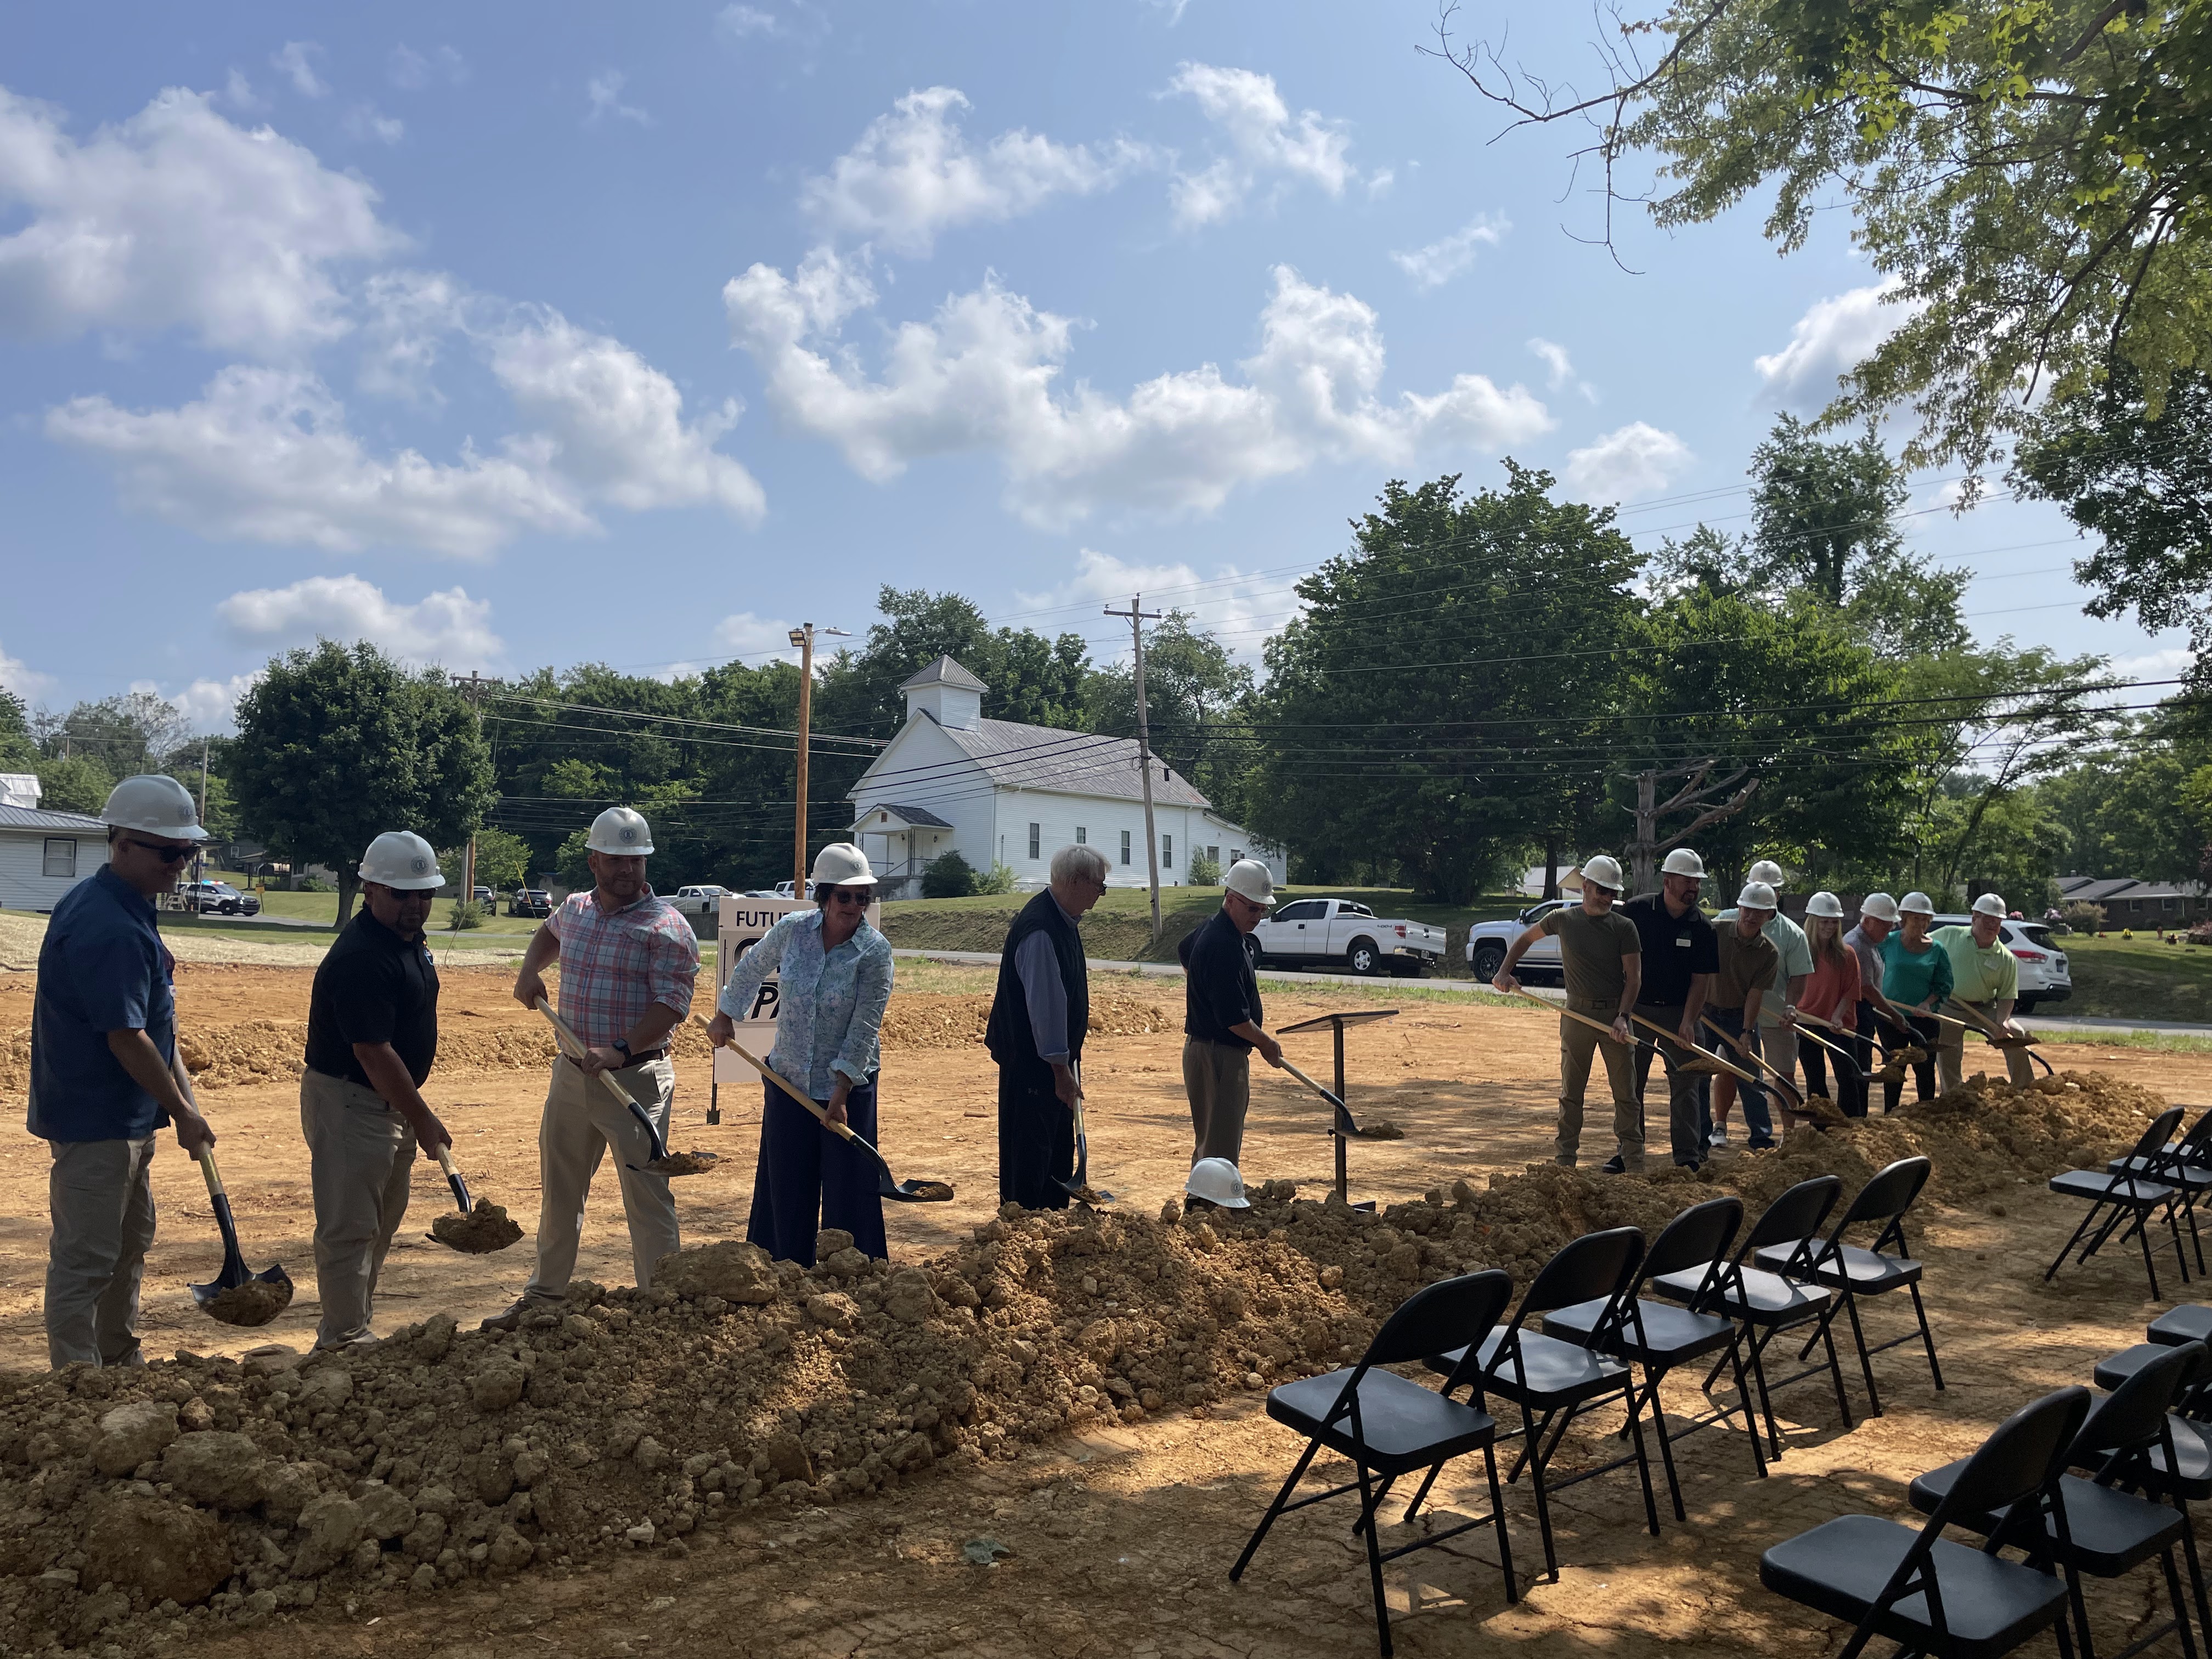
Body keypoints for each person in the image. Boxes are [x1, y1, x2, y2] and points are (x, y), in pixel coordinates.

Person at [29, 775, 217, 1369]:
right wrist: (184, 1113)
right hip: (96, 1120)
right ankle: (78, 1385)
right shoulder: (106, 924)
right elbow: (126, 1038)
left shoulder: (128, 908)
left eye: (188, 852)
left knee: (129, 1244)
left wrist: (183, 1103)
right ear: (122, 844)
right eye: (169, 852)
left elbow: (158, 1023)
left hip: (130, 1118)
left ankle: (118, 1361)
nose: (181, 864)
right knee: (86, 1259)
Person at [489, 806, 698, 1329]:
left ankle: (662, 1303)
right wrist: (529, 970)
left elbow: (673, 1004)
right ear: (594, 862)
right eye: (616, 860)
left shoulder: (667, 927)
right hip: (571, 1075)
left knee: (647, 1195)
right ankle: (545, 1294)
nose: (627, 870)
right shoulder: (576, 909)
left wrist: (621, 1049)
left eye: (637, 860)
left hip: (635, 1081)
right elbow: (549, 932)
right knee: (560, 1190)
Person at [300, 831, 452, 1350]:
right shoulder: (363, 956)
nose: (416, 906)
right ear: (369, 887)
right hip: (352, 1101)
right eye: (402, 894)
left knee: (381, 1223)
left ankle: (355, 1325)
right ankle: (342, 1338)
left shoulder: (408, 942)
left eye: (425, 894)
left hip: (392, 1102)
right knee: (350, 1227)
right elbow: (372, 1051)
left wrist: (413, 1112)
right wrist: (423, 1117)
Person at [711, 843, 895, 1266]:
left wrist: (842, 1091)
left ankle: (854, 1275)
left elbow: (865, 1025)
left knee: (850, 1190)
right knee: (786, 1186)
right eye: (845, 896)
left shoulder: (875, 952)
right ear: (824, 895)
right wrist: (726, 1016)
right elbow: (752, 967)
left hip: (847, 1088)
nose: (854, 905)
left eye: (862, 897)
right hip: (788, 1080)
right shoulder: (793, 930)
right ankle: (780, 1271)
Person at [1493, 854, 1645, 1173]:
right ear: (1585, 886)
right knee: (1571, 1093)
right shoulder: (1563, 919)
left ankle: (1634, 1164)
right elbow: (1524, 939)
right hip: (1575, 1016)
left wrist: (1623, 1016)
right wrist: (1504, 971)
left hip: (1614, 1018)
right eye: (1601, 890)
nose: (1607, 898)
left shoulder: (1624, 927)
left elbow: (1634, 979)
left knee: (1626, 1095)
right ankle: (1565, 1164)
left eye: (1612, 892)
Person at [985, 844, 1108, 1210]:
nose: (1101, 894)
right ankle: (1022, 1234)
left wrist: (1067, 1067)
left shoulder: (1063, 921)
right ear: (1075, 881)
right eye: (1099, 886)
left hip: (1053, 1066)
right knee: (1030, 1159)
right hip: (1033, 1068)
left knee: (1054, 1152)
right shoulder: (1041, 929)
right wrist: (1061, 1070)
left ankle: (1051, 1224)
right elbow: (1046, 1010)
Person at [1181, 859, 1285, 1169]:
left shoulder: (1218, 931)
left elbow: (1185, 951)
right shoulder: (1222, 943)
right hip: (1217, 1055)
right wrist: (1266, 1043)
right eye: (1253, 908)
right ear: (1230, 899)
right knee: (1219, 1150)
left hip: (1215, 1052)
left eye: (1262, 910)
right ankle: (1207, 1210)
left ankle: (1205, 1205)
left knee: (1215, 1141)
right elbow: (1234, 1018)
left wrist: (1202, 986)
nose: (1258, 916)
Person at [1624, 848, 1720, 1169]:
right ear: (1667, 881)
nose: (1694, 887)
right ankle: (1630, 1154)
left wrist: (1689, 1022)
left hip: (1680, 1014)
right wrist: (1621, 1011)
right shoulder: (1637, 911)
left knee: (1686, 1086)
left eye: (1697, 881)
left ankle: (1687, 1157)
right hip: (1637, 1011)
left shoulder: (1703, 928)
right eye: (1687, 880)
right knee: (1631, 1085)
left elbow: (1701, 981)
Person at [1711, 859, 1812, 1146]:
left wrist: (1791, 1006)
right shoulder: (1724, 921)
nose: (1754, 911)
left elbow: (1799, 977)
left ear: (1777, 897)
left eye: (1771, 890)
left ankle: (1788, 1134)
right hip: (1731, 1012)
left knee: (1783, 1072)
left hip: (1775, 1014)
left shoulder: (1792, 934)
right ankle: (1720, 1125)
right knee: (1731, 1067)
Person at [1706, 882, 1782, 1149]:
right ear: (1739, 907)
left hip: (1739, 1016)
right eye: (1748, 909)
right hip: (1704, 1013)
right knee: (1697, 1074)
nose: (1751, 916)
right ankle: (1700, 1134)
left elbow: (1755, 994)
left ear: (1769, 916)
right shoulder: (1714, 933)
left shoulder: (1768, 952)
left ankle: (1761, 1137)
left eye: (1759, 912)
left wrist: (1747, 1032)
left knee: (1751, 1078)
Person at [1932, 893, 2035, 1090]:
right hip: (1950, 1004)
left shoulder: (2005, 958)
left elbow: (2007, 996)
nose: (1992, 926)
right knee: (1946, 1047)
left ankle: (2024, 1088)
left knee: (2017, 1034)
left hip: (1985, 1008)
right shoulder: (1949, 935)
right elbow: (1923, 949)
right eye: (1988, 920)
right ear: (1974, 918)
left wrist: (2002, 1021)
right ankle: (1953, 1094)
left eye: (1997, 922)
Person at [1878, 891, 1951, 1110]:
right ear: (1904, 917)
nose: (1921, 923)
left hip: (1924, 1019)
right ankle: (1890, 1113)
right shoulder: (1887, 943)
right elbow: (1871, 972)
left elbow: (1944, 985)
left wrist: (1928, 1003)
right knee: (1894, 1067)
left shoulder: (1937, 950)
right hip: (1890, 1017)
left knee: (1925, 1067)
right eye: (1916, 918)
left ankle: (1925, 1113)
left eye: (1925, 919)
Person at [1795, 892, 1864, 1118]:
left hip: (1839, 1023)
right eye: (1824, 921)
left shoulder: (1846, 954)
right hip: (1807, 1021)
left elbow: (1852, 990)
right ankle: (1822, 1125)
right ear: (1813, 921)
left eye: (1834, 922)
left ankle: (1850, 1122)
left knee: (1847, 1074)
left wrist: (1837, 1016)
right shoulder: (1800, 951)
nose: (1829, 927)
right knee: (1814, 1076)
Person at [1844, 893, 1905, 1107]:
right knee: (1859, 1067)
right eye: (1885, 926)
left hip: (1864, 1010)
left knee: (1863, 1063)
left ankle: (1860, 1113)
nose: (1889, 931)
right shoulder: (1857, 945)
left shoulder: (1869, 943)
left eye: (1891, 926)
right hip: (1856, 1010)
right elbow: (1867, 989)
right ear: (1868, 920)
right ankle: (1856, 1114)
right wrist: (1894, 1014)